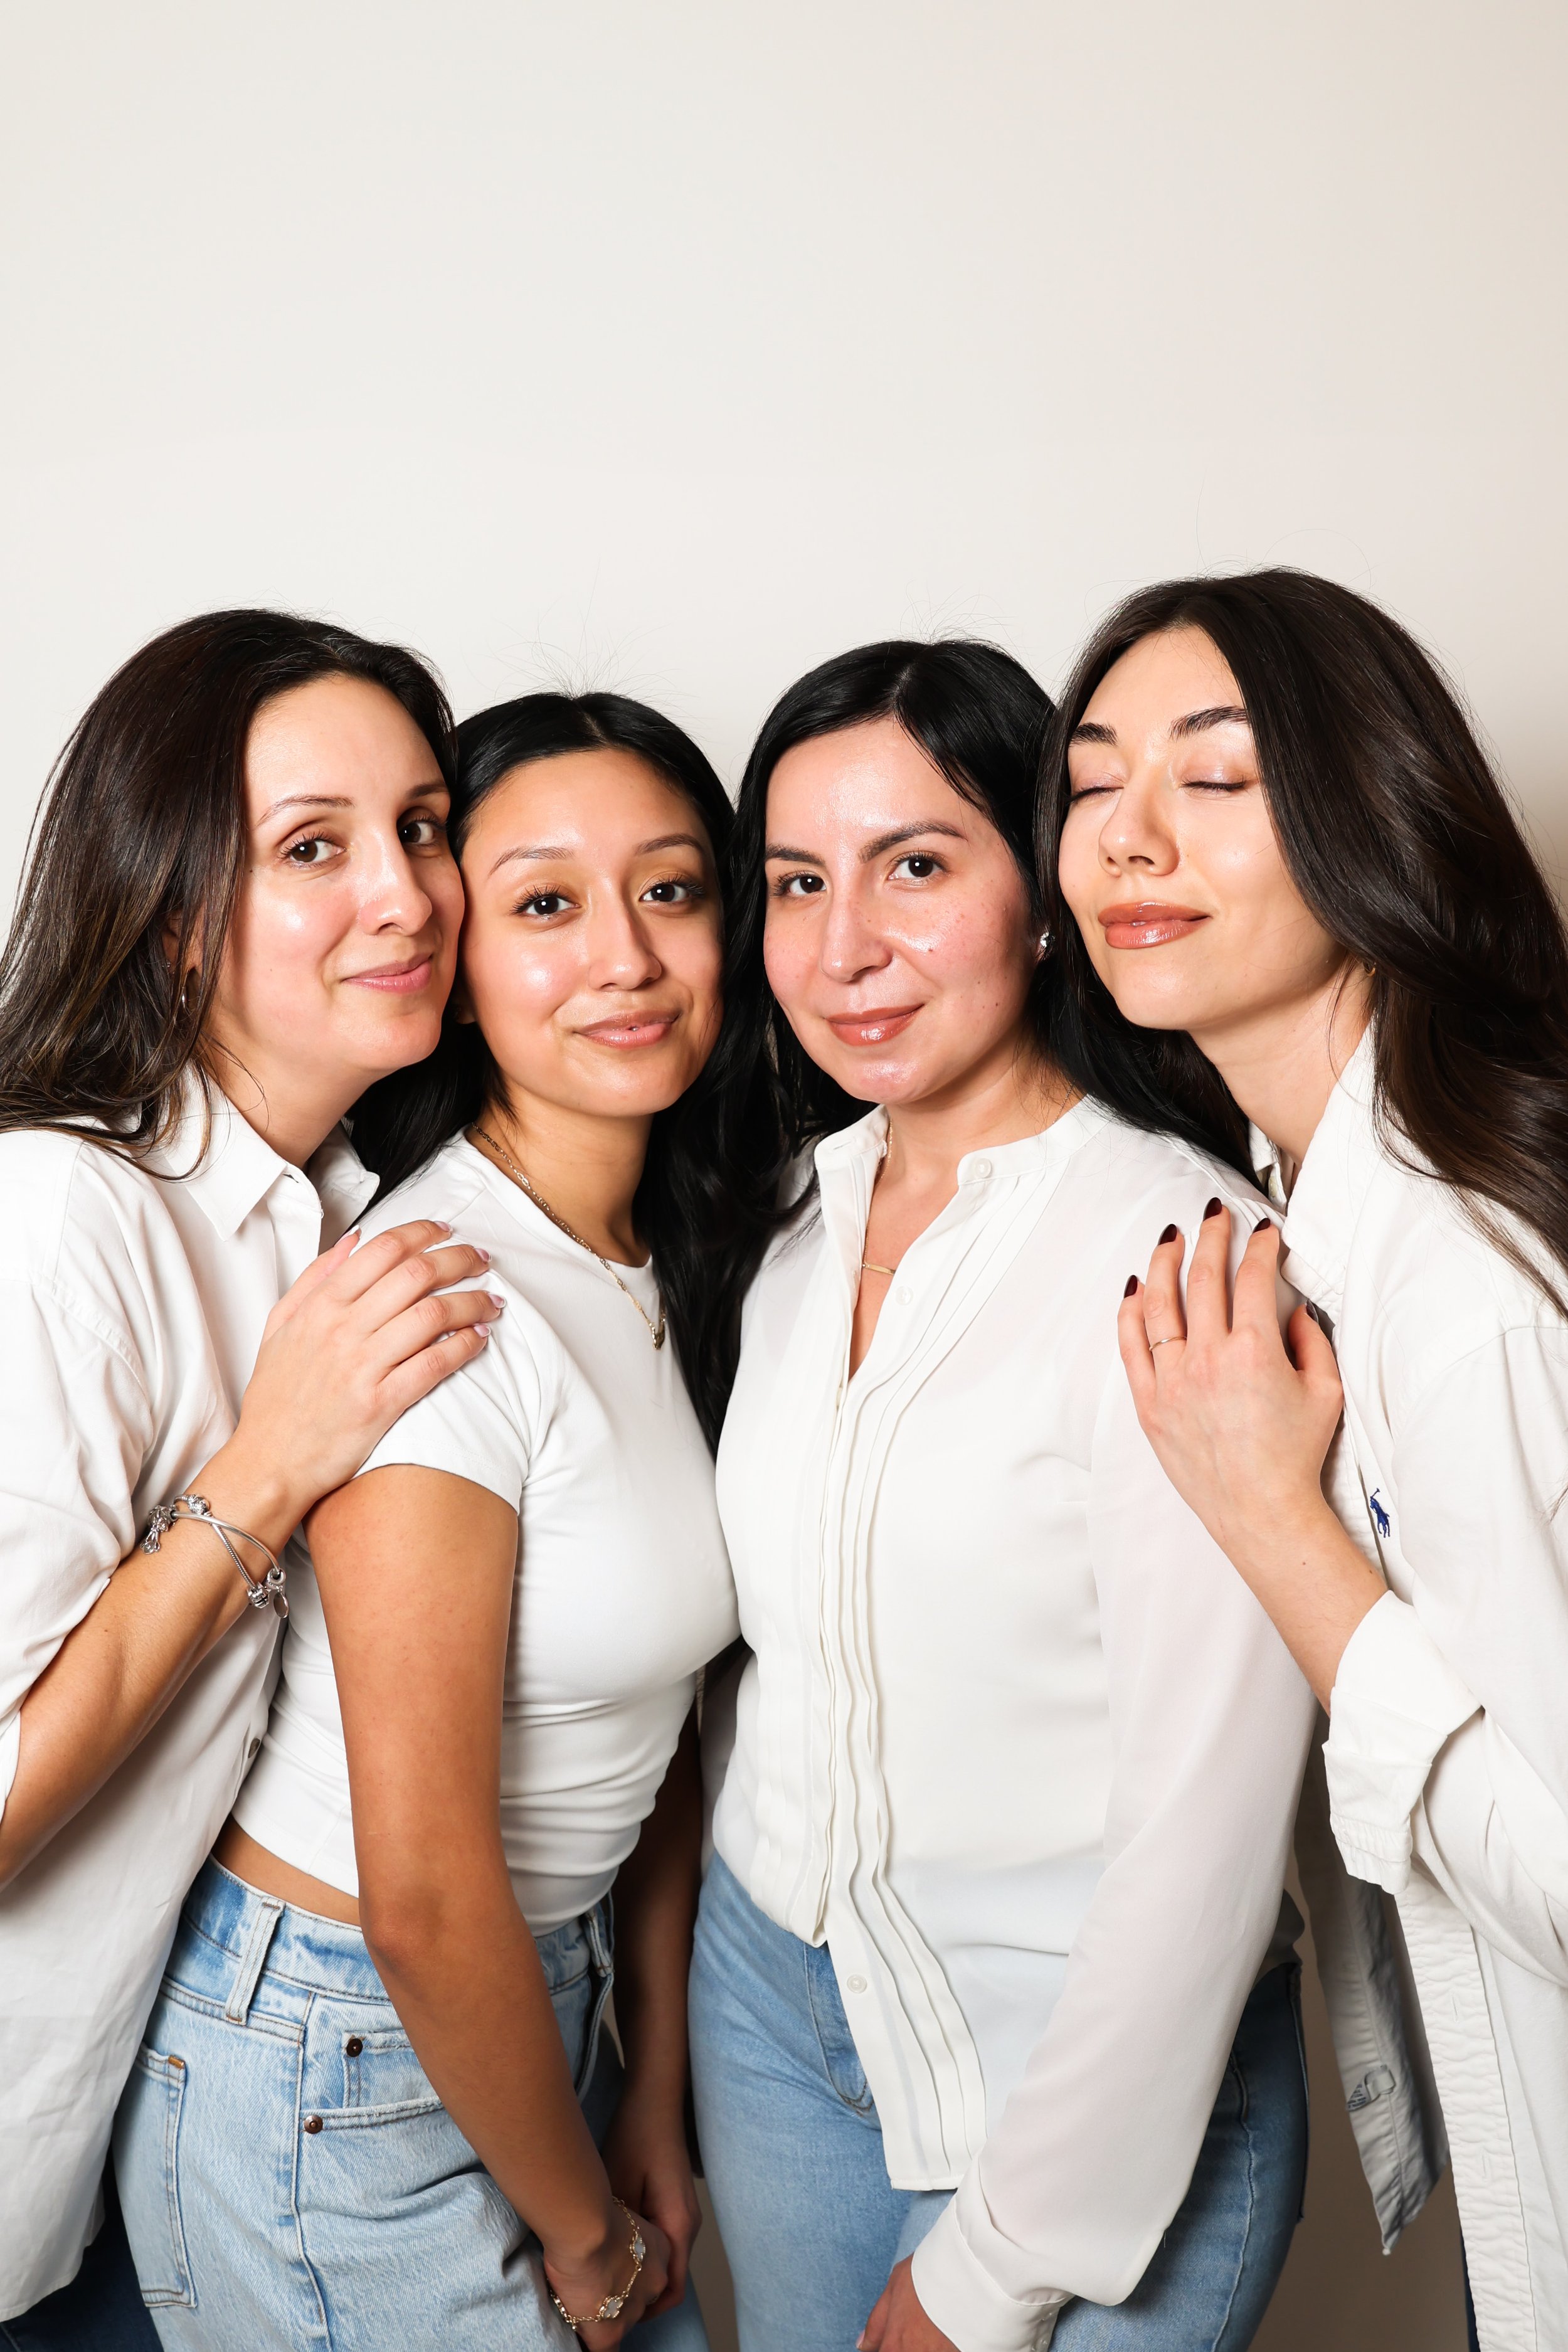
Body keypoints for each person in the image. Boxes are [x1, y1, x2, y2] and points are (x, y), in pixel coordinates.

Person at [689, 638, 1319, 2352]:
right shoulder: (790, 1226)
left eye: (914, 866)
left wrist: (990, 2271)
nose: (842, 949)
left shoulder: (1183, 1255)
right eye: (795, 882)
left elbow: (1208, 1829)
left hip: (1092, 2087)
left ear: (1041, 893)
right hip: (774, 2021)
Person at [117, 693, 741, 2349]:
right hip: (339, 2053)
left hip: (544, 2012)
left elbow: (668, 1736)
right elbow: (427, 1894)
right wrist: (584, 2234)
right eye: (542, 904)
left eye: (671, 890)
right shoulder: (439, 1301)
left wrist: (651, 2100)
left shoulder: (665, 1265)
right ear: (457, 955)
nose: (624, 955)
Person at [1050, 567, 1568, 2352]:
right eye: (1089, 782)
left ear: (1368, 812)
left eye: (1212, 778)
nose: (1126, 838)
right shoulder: (1308, 1210)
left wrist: (1272, 1520)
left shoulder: (1458, 1277)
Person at [0, 612, 496, 2347]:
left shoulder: (352, 1220)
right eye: (315, 847)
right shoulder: (64, 1219)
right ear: (173, 909)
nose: (409, 893)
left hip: (159, 2155)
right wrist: (265, 1472)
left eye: (426, 827)